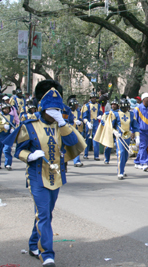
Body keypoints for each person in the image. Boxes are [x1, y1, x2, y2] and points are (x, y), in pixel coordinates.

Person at [3, 82, 85, 267]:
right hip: (36, 175)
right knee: (44, 215)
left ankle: (33, 243)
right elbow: (18, 151)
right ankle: (46, 254)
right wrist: (30, 155)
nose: (55, 112)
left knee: (45, 213)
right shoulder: (29, 125)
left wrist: (63, 122)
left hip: (56, 176)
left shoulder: (61, 125)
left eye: (58, 109)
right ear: (42, 107)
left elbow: (73, 143)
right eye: (51, 109)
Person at [110, 98, 139, 180]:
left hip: (128, 136)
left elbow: (135, 126)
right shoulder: (115, 114)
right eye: (124, 108)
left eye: (127, 107)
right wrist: (114, 132)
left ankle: (122, 168)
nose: (125, 109)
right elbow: (111, 126)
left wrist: (137, 137)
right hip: (119, 136)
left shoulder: (131, 114)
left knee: (126, 155)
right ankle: (120, 172)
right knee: (121, 153)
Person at [81, 92, 103, 160]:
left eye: (95, 98)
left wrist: (100, 116)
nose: (94, 99)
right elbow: (84, 117)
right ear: (90, 98)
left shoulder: (98, 106)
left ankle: (96, 155)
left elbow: (101, 114)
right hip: (89, 123)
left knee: (96, 139)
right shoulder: (86, 106)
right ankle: (86, 154)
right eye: (93, 98)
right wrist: (87, 122)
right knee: (87, 139)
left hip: (96, 123)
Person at [102, 97, 119, 164]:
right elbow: (103, 122)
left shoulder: (119, 113)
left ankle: (119, 159)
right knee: (108, 146)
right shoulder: (107, 113)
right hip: (109, 131)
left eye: (115, 104)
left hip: (117, 132)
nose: (113, 105)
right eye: (112, 104)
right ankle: (106, 159)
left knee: (118, 146)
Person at [68, 97, 84, 167]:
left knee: (76, 146)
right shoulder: (67, 111)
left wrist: (80, 122)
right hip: (68, 131)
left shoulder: (78, 112)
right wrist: (74, 122)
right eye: (76, 105)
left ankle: (77, 161)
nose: (77, 106)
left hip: (76, 131)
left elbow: (81, 119)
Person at [0, 102, 15, 170]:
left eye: (8, 108)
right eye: (5, 108)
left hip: (8, 136)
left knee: (7, 149)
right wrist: (3, 126)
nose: (6, 110)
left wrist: (12, 129)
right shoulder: (0, 116)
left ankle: (8, 164)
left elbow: (14, 124)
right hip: (0, 135)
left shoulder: (11, 117)